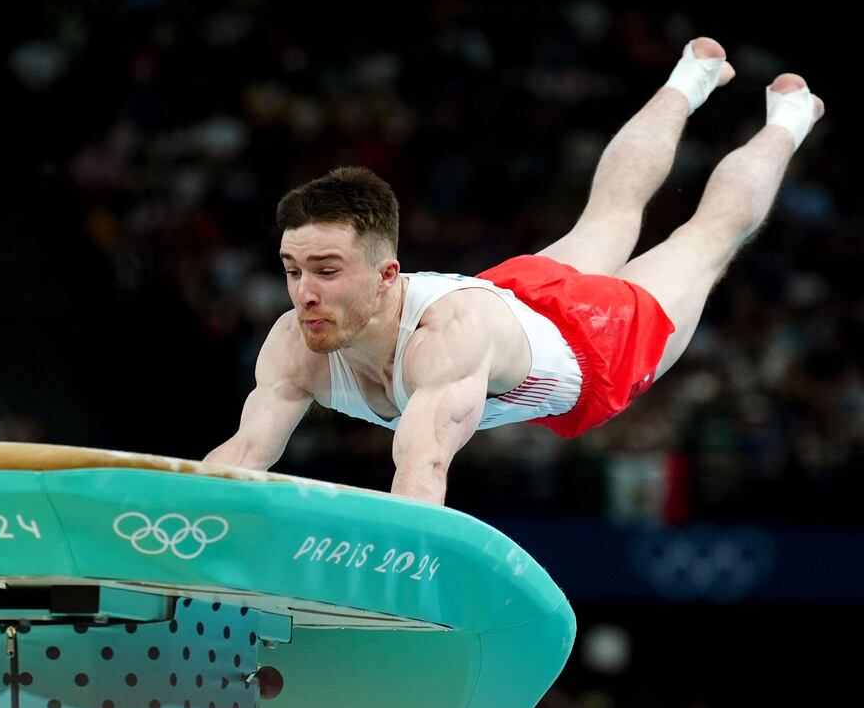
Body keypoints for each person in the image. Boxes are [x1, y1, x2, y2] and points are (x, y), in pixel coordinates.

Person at [204, 38, 824, 506]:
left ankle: (790, 118)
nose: (304, 294)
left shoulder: (443, 342)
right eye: (292, 270)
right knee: (608, 213)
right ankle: (693, 76)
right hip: (514, 296)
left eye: (326, 270)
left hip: (592, 347)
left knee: (705, 238)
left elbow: (422, 469)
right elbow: (243, 456)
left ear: (389, 274)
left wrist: (396, 595)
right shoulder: (294, 342)